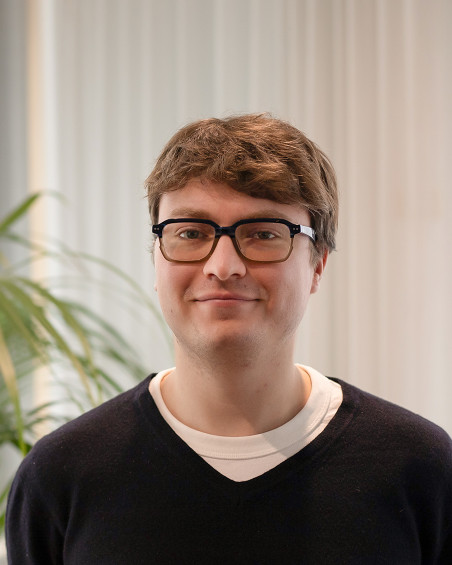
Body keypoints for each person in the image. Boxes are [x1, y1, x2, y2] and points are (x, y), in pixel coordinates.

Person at [6, 114, 452, 564]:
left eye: (263, 234)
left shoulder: (420, 470)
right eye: (190, 233)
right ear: (156, 259)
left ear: (318, 264)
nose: (223, 266)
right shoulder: (61, 476)